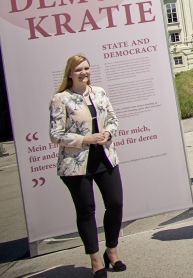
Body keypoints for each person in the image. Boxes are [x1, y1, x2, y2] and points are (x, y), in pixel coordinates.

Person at [49, 54, 125, 278]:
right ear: (70, 74)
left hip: (105, 157)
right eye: (78, 70)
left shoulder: (99, 92)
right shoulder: (60, 99)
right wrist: (85, 140)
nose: (84, 73)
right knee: (86, 211)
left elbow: (113, 118)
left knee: (115, 203)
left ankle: (111, 251)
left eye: (86, 68)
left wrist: (109, 132)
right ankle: (94, 259)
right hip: (75, 164)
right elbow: (55, 135)